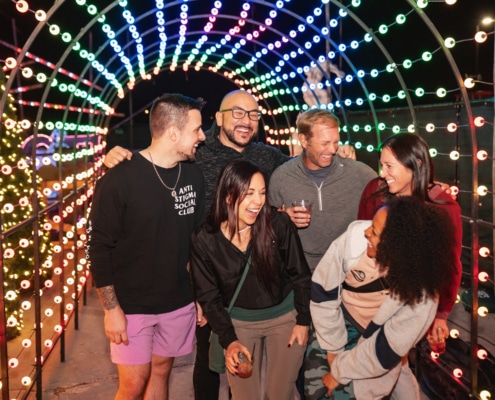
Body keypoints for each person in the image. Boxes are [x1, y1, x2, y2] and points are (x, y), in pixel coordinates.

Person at [103, 90, 356, 400]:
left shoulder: (266, 156)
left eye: (253, 115)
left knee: (239, 369)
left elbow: (301, 165)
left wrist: (333, 152)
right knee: (209, 362)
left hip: (252, 277)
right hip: (209, 271)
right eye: (238, 113)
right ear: (219, 119)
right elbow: (160, 155)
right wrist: (120, 154)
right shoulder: (197, 151)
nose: (246, 121)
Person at [85, 93, 206, 400]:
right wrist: (111, 310)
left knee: (162, 373)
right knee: (133, 385)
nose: (202, 137)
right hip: (132, 306)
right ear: (174, 132)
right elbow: (99, 248)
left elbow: (198, 242)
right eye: (197, 129)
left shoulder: (193, 174)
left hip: (178, 301)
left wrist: (202, 296)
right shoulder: (118, 179)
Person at [268, 108, 376, 399]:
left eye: (336, 141)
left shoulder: (360, 174)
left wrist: (428, 188)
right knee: (306, 357)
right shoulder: (282, 177)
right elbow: (265, 225)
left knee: (345, 352)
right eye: (325, 143)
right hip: (300, 279)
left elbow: (390, 205)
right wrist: (282, 216)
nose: (333, 149)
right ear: (303, 140)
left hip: (347, 280)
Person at [312, 196, 457, 399]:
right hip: (343, 320)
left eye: (374, 232)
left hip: (379, 342)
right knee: (315, 388)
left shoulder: (423, 296)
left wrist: (339, 371)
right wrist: (333, 347)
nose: (366, 232)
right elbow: (322, 291)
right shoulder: (354, 239)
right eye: (371, 225)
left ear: (396, 246)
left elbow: (384, 351)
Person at [189, 160, 312, 400]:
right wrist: (229, 340)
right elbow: (209, 296)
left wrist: (303, 321)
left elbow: (301, 274)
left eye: (262, 193)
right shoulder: (205, 238)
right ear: (227, 196)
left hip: (285, 320)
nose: (258, 201)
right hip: (239, 324)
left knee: (280, 394)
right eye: (249, 193)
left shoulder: (278, 224)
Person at [357, 132, 462, 341]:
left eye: (389, 166)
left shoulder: (441, 207)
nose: (383, 173)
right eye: (381, 165)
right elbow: (360, 242)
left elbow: (449, 265)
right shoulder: (375, 191)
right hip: (368, 297)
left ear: (415, 164)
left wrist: (441, 315)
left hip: (412, 304)